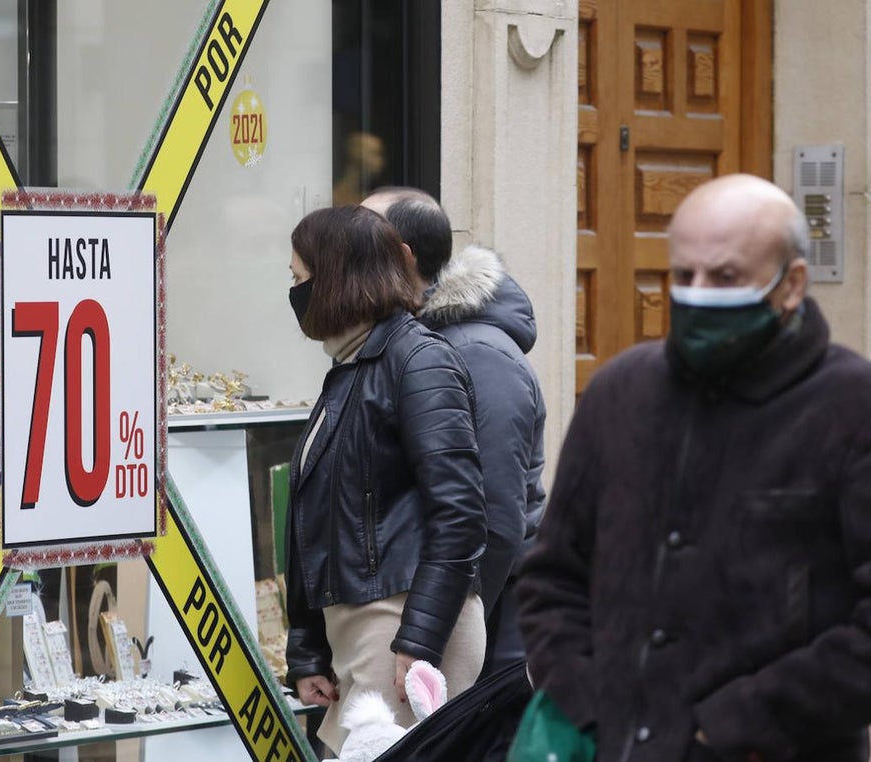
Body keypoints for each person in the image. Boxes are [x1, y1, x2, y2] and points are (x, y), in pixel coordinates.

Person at [517, 173, 871, 761]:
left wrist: (734, 725)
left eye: (726, 277)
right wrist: (593, 704)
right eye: (684, 276)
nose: (699, 293)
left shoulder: (850, 405)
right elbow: (551, 578)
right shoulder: (618, 393)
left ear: (792, 285)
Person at [284, 204, 488, 755]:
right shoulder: (352, 367)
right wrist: (307, 649)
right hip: (365, 631)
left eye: (301, 278)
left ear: (336, 280)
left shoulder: (416, 361)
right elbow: (314, 520)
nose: (296, 291)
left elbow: (460, 514)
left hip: (403, 628)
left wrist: (419, 639)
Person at [363, 187, 546, 758]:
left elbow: (489, 519)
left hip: (490, 627)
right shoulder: (415, 345)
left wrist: (438, 635)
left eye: (360, 235)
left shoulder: (479, 356)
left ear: (403, 254)